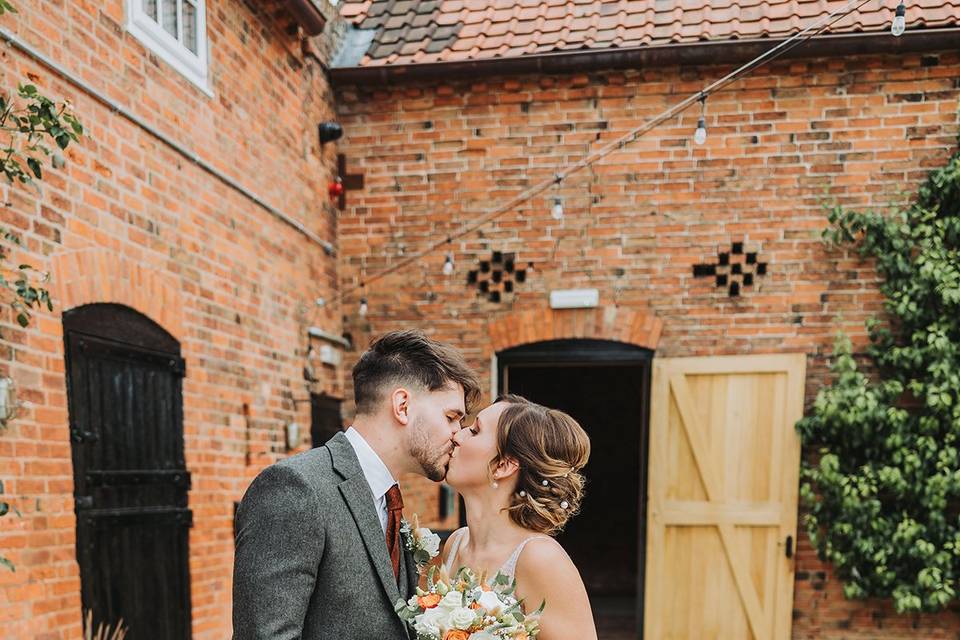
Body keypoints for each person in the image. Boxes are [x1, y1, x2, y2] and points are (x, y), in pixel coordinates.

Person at [233, 329, 481, 639]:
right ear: (402, 406)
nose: (457, 433)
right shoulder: (296, 488)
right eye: (451, 417)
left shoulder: (389, 500)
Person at [442, 394, 598, 639]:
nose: (457, 435)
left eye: (474, 431)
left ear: (503, 465)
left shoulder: (540, 559)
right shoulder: (455, 544)